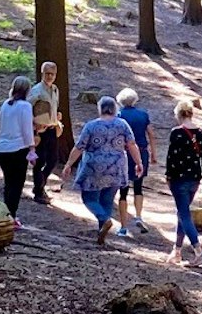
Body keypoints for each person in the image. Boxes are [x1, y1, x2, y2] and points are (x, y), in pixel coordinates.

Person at [63, 95, 141, 247]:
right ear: (114, 109)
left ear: (100, 109)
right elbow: (132, 144)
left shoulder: (91, 126)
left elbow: (79, 147)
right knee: (107, 200)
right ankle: (102, 232)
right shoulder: (122, 124)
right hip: (116, 167)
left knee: (89, 198)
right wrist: (138, 162)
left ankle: (103, 222)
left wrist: (69, 164)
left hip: (94, 167)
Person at [164, 98, 202, 264]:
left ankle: (198, 251)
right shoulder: (200, 133)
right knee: (182, 213)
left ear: (178, 114)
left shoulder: (176, 132)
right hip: (195, 178)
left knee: (183, 214)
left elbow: (171, 157)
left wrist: (168, 176)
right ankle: (177, 251)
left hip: (179, 179)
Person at [0, 78, 36, 220]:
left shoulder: (5, 104)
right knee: (16, 186)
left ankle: (6, 215)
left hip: (2, 149)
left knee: (9, 184)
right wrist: (32, 148)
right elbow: (27, 130)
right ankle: (11, 216)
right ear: (27, 90)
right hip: (17, 150)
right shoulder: (25, 106)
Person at [116, 87, 154, 237]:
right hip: (142, 152)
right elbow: (151, 133)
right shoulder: (143, 115)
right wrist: (154, 154)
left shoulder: (119, 115)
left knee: (123, 190)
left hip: (124, 154)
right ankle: (138, 216)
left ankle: (124, 227)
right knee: (138, 187)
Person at [27, 60, 62, 202]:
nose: (50, 77)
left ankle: (40, 184)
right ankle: (39, 191)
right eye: (47, 74)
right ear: (42, 73)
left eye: (52, 74)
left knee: (53, 160)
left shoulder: (55, 89)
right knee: (40, 161)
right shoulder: (36, 91)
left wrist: (57, 117)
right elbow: (27, 108)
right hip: (40, 131)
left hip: (52, 129)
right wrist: (33, 125)